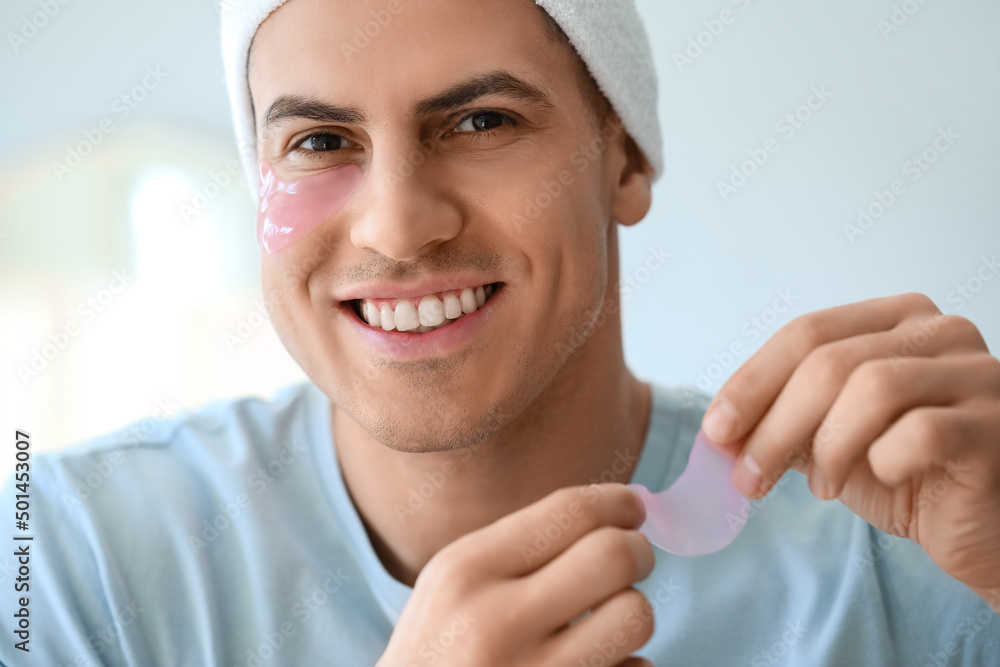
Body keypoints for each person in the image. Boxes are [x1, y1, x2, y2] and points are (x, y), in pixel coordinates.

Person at [4, 0, 999, 664]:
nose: (398, 225)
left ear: (625, 157)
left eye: (479, 122)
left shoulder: (909, 543)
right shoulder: (60, 556)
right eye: (318, 142)